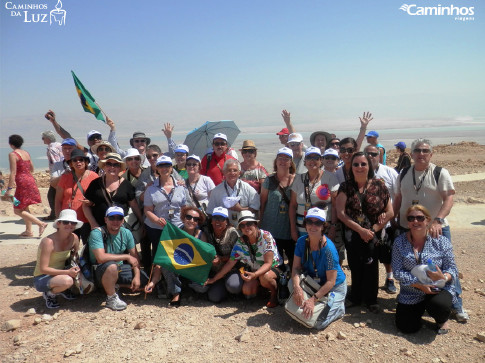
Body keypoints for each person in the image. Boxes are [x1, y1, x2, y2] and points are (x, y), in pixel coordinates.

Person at [393, 138, 468, 322]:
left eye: (425, 151)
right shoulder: (403, 173)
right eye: (417, 150)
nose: (421, 154)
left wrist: (438, 220)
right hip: (407, 226)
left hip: (436, 229)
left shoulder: (439, 172)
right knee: (410, 265)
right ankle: (416, 298)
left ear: (431, 154)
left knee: (445, 267)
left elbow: (449, 198)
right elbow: (399, 198)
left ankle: (456, 305)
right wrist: (394, 219)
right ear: (411, 154)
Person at [336, 152, 393, 312]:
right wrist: (360, 230)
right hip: (352, 234)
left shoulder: (379, 185)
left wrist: (373, 230)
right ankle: (355, 297)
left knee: (371, 265)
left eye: (363, 164)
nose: (359, 167)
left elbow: (390, 211)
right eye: (356, 164)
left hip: (373, 234)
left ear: (369, 166)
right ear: (351, 167)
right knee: (355, 265)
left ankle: (371, 300)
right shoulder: (345, 187)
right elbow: (341, 213)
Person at [392, 205, 458, 334]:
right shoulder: (399, 242)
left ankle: (441, 319)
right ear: (408, 222)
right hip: (412, 290)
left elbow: (452, 268)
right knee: (406, 327)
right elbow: (397, 272)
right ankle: (419, 310)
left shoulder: (441, 241)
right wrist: (419, 285)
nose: (415, 221)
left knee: (439, 306)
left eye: (420, 218)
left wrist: (443, 277)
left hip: (438, 288)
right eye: (411, 218)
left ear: (428, 220)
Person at [205, 211, 283, 308]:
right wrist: (214, 279)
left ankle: (274, 294)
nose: (246, 227)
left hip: (273, 268)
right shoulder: (241, 242)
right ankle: (263, 289)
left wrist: (255, 275)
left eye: (249, 223)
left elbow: (268, 263)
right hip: (255, 271)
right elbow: (230, 263)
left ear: (255, 224)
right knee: (247, 290)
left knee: (265, 277)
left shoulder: (266, 236)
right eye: (242, 225)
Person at [290, 208, 347, 330]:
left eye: (318, 223)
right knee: (291, 284)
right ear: (305, 225)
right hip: (313, 282)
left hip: (333, 288)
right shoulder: (301, 242)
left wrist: (312, 300)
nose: (313, 226)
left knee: (316, 323)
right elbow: (295, 268)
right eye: (309, 222)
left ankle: (339, 309)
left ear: (323, 226)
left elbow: (331, 281)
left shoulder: (329, 250)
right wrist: (297, 288)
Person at [145, 206, 207, 307]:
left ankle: (187, 288)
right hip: (177, 269)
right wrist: (153, 282)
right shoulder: (175, 234)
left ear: (198, 222)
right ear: (183, 218)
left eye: (196, 219)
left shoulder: (202, 236)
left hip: (193, 270)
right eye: (188, 217)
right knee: (166, 264)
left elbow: (205, 258)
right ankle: (176, 293)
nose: (191, 221)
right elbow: (162, 259)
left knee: (202, 288)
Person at [88, 206, 148, 311]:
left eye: (119, 218)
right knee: (112, 266)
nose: (115, 221)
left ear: (123, 220)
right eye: (112, 218)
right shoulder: (97, 233)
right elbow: (101, 257)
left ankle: (115, 286)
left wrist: (137, 277)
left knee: (144, 280)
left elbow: (135, 257)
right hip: (100, 269)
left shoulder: (126, 233)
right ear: (105, 219)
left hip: (119, 268)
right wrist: (126, 256)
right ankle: (111, 298)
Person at [364, 144, 399, 294]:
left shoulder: (390, 173)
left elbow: (398, 196)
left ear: (380, 156)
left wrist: (393, 216)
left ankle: (389, 278)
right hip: (366, 224)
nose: (371, 156)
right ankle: (367, 285)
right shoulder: (359, 172)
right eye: (368, 154)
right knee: (368, 255)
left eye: (374, 154)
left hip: (387, 222)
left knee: (387, 253)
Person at [142, 156, 187, 270]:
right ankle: (158, 281)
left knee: (176, 254)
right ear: (157, 168)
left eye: (167, 165)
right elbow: (147, 210)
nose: (164, 168)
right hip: (156, 228)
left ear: (171, 168)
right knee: (159, 255)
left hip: (177, 226)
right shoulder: (151, 188)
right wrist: (156, 220)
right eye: (161, 166)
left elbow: (184, 207)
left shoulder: (180, 187)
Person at [33, 209, 82, 309]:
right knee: (67, 281)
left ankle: (62, 289)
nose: (69, 224)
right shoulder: (49, 242)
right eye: (65, 222)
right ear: (58, 223)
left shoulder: (74, 238)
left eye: (73, 222)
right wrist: (68, 272)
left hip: (62, 273)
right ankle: (49, 294)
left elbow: (75, 256)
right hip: (42, 277)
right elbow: (43, 269)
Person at [289, 147, 340, 241]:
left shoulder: (330, 178)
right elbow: (292, 205)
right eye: (309, 158)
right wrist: (293, 229)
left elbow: (335, 205)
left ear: (321, 160)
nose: (312, 161)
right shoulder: (298, 179)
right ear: (305, 161)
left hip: (324, 228)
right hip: (302, 228)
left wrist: (333, 227)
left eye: (316, 158)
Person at [82, 153, 143, 230]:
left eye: (116, 165)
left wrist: (142, 223)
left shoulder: (127, 185)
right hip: (100, 228)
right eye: (109, 164)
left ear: (120, 168)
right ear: (104, 166)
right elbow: (85, 205)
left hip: (121, 229)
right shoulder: (95, 183)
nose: (112, 167)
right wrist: (93, 224)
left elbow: (134, 206)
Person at [5, 134, 47, 238]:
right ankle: (28, 231)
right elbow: (32, 168)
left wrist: (9, 189)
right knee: (25, 206)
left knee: (17, 209)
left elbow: (13, 173)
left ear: (11, 144)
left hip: (22, 182)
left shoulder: (13, 154)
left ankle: (40, 224)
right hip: (30, 180)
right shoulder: (26, 153)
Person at [260, 147, 296, 268]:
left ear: (291, 162)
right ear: (276, 161)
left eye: (286, 158)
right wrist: (260, 225)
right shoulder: (269, 180)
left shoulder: (295, 180)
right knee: (275, 264)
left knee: (293, 261)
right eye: (280, 158)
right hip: (271, 229)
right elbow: (262, 203)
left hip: (289, 228)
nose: (283, 161)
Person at [55, 149, 98, 243]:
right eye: (74, 160)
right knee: (68, 245)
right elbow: (58, 200)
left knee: (89, 246)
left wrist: (91, 202)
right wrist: (59, 220)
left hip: (86, 219)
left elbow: (98, 198)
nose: (78, 162)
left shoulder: (94, 176)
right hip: (68, 220)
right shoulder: (65, 177)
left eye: (81, 159)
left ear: (86, 162)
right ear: (71, 164)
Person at [202, 207, 240, 302]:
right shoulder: (207, 232)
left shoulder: (232, 233)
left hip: (231, 269)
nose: (217, 221)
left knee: (233, 286)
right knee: (214, 297)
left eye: (221, 218)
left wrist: (221, 259)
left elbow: (238, 256)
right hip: (216, 271)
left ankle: (232, 290)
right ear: (211, 221)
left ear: (226, 221)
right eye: (215, 218)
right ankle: (223, 289)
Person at [206, 159, 260, 226]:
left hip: (244, 227)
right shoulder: (216, 191)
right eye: (229, 170)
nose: (232, 173)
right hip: (225, 227)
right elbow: (210, 212)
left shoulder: (248, 189)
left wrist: (241, 209)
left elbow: (256, 208)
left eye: (235, 170)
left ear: (239, 173)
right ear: (224, 172)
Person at [41, 130, 63, 220]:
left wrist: (56, 176)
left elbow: (56, 162)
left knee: (51, 195)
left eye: (43, 138)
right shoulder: (59, 145)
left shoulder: (51, 148)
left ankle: (55, 214)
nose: (42, 140)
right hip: (62, 173)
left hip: (57, 174)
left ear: (47, 138)